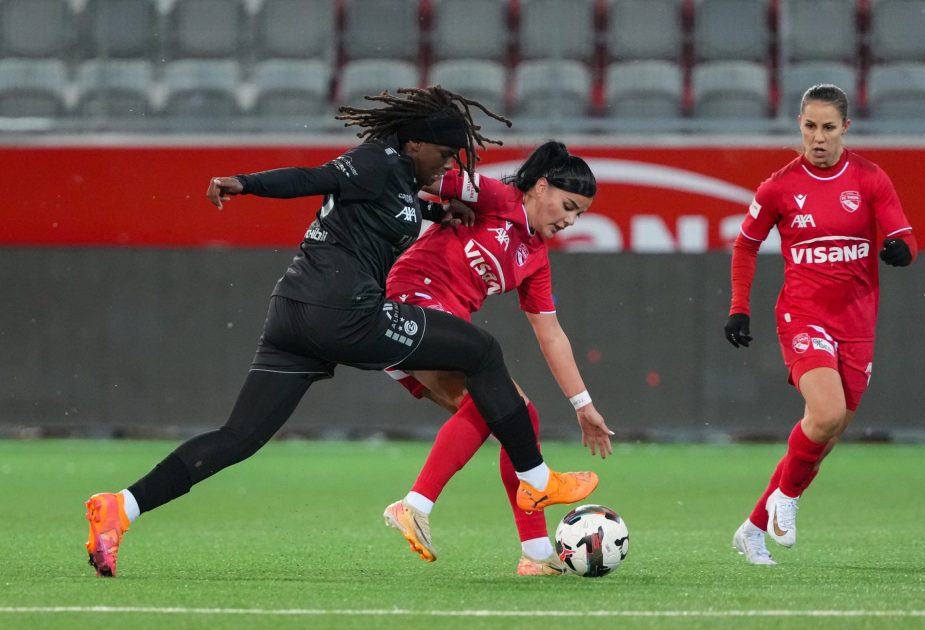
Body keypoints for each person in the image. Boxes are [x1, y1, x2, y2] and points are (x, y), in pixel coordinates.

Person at [83, 87, 599, 578]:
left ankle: (121, 507)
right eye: (444, 154)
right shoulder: (378, 161)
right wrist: (245, 183)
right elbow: (313, 177)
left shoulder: (400, 183)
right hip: (346, 313)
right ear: (415, 143)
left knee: (238, 438)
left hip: (295, 316)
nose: (449, 166)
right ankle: (531, 481)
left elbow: (396, 205)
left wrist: (438, 209)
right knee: (483, 351)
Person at [379, 141, 614, 576]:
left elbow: (551, 334)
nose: (569, 220)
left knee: (515, 415)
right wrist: (435, 205)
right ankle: (415, 504)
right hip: (410, 303)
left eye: (579, 215)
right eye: (567, 206)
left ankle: (537, 554)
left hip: (436, 324)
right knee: (502, 404)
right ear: (540, 187)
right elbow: (419, 174)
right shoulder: (495, 197)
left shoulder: (536, 258)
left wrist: (583, 405)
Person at [725, 84, 918, 566]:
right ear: (800, 125)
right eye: (810, 126)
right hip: (802, 315)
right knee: (826, 413)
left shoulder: (870, 179)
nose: (818, 137)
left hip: (857, 322)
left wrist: (902, 251)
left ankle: (753, 529)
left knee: (823, 435)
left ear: (845, 128)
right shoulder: (778, 187)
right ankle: (786, 500)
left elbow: (905, 235)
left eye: (828, 127)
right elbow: (746, 245)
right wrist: (739, 307)